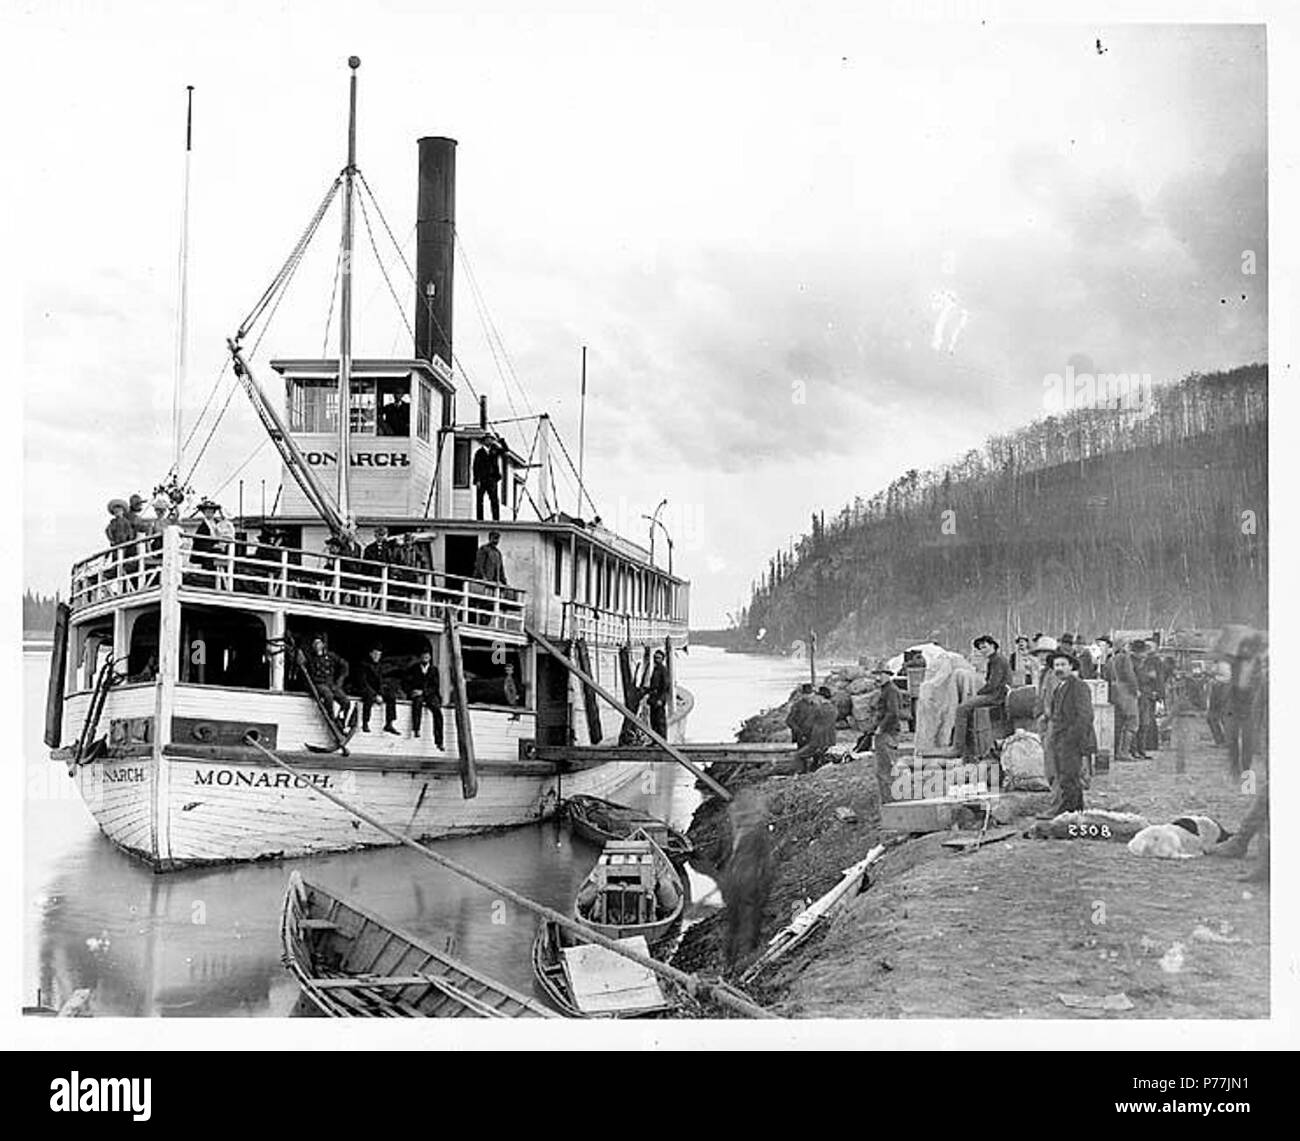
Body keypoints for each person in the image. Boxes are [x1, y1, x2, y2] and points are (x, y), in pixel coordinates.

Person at [951, 635, 1010, 760]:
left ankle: (958, 746)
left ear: (993, 646)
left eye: (985, 647)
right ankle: (971, 748)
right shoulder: (994, 660)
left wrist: (979, 693)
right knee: (969, 708)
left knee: (962, 708)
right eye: (981, 649)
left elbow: (993, 684)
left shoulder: (998, 660)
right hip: (995, 693)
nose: (983, 650)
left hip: (996, 695)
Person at [1047, 651, 1092, 813]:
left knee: (1070, 778)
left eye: (1063, 665)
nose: (1059, 668)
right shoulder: (1060, 686)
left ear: (1071, 666)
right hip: (1060, 738)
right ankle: (1076, 812)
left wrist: (1071, 738)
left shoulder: (1078, 685)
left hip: (1072, 739)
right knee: (1065, 776)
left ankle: (1067, 812)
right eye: (1056, 665)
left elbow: (1085, 716)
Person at [870, 663, 903, 805]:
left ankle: (891, 802)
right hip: (884, 732)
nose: (878, 677)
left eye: (881, 674)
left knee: (886, 769)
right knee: (883, 770)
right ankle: (887, 801)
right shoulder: (885, 690)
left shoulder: (891, 691)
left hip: (887, 733)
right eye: (877, 674)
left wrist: (881, 728)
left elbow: (893, 713)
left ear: (888, 675)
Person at [302, 633, 351, 726]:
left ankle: (340, 719)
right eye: (315, 643)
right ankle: (331, 719)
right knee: (328, 696)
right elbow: (305, 672)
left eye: (319, 643)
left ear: (323, 645)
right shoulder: (310, 658)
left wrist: (340, 680)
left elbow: (344, 665)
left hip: (331, 683)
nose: (317, 646)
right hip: (319, 683)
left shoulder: (330, 656)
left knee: (346, 702)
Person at [1107, 637, 1140, 761]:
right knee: (1131, 722)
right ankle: (1124, 752)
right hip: (1126, 693)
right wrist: (1135, 689)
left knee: (1119, 723)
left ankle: (1116, 751)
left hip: (1115, 693)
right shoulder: (1125, 658)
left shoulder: (1111, 660)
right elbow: (1129, 675)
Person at [404, 648, 445, 748]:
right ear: (420, 658)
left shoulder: (434, 670)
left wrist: (424, 692)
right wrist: (411, 691)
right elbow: (406, 682)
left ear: (430, 657)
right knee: (417, 703)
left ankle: (439, 740)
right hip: (417, 693)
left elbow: (435, 686)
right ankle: (416, 729)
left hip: (430, 694)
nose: (425, 658)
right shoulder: (414, 669)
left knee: (437, 711)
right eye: (423, 656)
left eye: (427, 656)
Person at [356, 644, 400, 734]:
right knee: (368, 697)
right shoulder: (363, 665)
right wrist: (375, 695)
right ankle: (365, 722)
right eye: (375, 654)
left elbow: (380, 682)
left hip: (375, 690)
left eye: (379, 654)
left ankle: (389, 723)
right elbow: (363, 682)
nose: (377, 656)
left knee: (391, 696)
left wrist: (380, 693)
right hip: (365, 689)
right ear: (370, 654)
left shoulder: (379, 666)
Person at [1132, 640, 1162, 756]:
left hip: (1146, 695)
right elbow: (1136, 677)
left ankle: (1142, 748)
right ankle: (1137, 749)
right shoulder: (1134, 662)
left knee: (1145, 723)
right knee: (1139, 723)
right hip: (1139, 694)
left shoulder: (1147, 661)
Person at [472, 531, 508, 625]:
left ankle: (485, 624)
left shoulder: (498, 553)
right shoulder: (484, 550)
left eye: (497, 539)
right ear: (490, 538)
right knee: (481, 606)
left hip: (492, 585)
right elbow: (479, 565)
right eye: (494, 538)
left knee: (490, 606)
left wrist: (504, 582)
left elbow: (501, 570)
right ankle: (478, 624)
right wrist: (483, 577)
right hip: (482, 584)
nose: (496, 541)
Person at [472, 436, 503, 521]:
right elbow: (476, 467)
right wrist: (477, 479)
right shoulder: (479, 453)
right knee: (480, 500)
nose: (490, 441)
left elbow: (505, 450)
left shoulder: (494, 451)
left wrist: (501, 440)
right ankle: (480, 519)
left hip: (492, 479)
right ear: (484, 441)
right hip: (482, 479)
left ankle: (496, 519)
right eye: (488, 439)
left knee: (494, 500)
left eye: (491, 439)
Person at [646, 649, 670, 738]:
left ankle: (662, 740)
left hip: (659, 699)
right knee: (653, 720)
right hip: (653, 698)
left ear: (662, 659)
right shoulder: (655, 669)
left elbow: (666, 686)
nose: (656, 659)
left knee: (660, 720)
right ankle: (655, 739)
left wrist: (661, 699)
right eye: (655, 657)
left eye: (659, 658)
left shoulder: (663, 670)